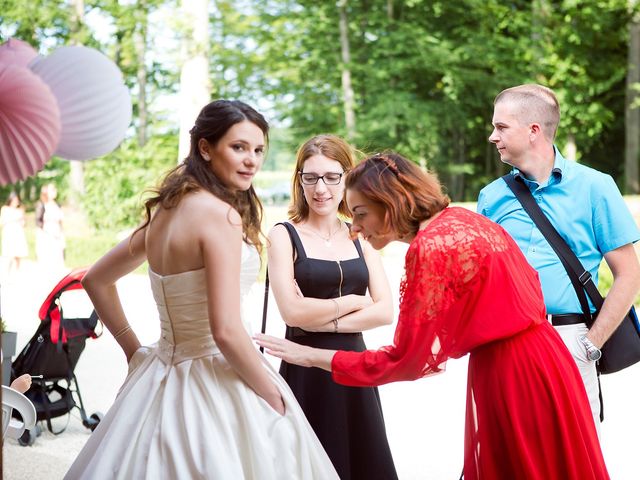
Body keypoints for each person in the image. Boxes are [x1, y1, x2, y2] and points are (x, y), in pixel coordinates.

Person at [256, 152, 609, 479]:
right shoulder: (464, 219)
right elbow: (527, 288)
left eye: (361, 213)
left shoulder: (431, 246)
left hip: (513, 372)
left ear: (389, 203)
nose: (355, 228)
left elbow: (407, 359)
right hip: (548, 360)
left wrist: (313, 356)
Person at [64, 100, 338, 479]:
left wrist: (135, 352)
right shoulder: (220, 216)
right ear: (205, 148)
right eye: (238, 147)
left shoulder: (166, 210)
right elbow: (225, 330)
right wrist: (273, 397)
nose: (251, 161)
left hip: (158, 373)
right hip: (215, 379)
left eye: (258, 150)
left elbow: (96, 279)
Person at [477, 84, 640, 429]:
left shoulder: (596, 186)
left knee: (574, 456)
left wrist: (590, 345)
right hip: (507, 344)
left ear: (534, 130)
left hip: (571, 338)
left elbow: (629, 275)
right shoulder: (491, 197)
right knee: (512, 453)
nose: (493, 136)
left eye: (501, 127)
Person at [267, 134, 397, 479]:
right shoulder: (283, 235)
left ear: (346, 178)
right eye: (310, 177)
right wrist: (354, 302)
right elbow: (292, 313)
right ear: (299, 180)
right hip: (305, 372)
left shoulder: (360, 234)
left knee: (363, 463)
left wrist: (320, 317)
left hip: (355, 369)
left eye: (331, 177)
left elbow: (385, 311)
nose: (320, 188)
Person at [35, 183, 65, 273]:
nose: (54, 191)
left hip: (57, 234)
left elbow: (61, 222)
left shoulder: (57, 205)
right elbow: (38, 222)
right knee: (48, 259)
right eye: (52, 190)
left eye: (55, 189)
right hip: (47, 235)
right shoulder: (43, 205)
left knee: (58, 259)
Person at [0, 192, 28, 277]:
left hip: (18, 233)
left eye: (17, 201)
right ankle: (6, 274)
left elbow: (23, 223)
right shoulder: (5, 209)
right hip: (9, 234)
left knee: (18, 254)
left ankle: (17, 274)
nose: (16, 202)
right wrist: (14, 219)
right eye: (14, 200)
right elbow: (2, 221)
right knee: (9, 255)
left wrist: (22, 219)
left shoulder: (20, 210)